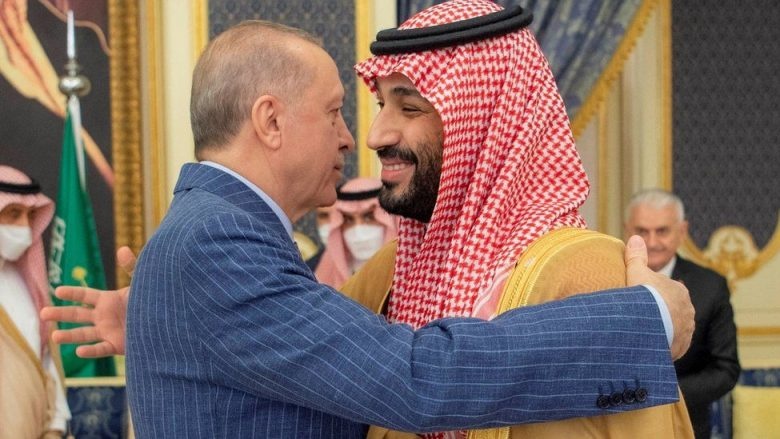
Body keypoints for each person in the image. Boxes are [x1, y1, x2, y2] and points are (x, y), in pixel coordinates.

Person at [42, 15, 695, 439]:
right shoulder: (236, 249)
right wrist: (649, 320)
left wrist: (167, 314)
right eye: (342, 111)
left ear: (486, 122)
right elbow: (415, 379)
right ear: (270, 122)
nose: (366, 136)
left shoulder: (591, 272)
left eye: (406, 107)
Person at [625, 188, 740, 439]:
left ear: (682, 231)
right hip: (620, 424)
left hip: (686, 424)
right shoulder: (605, 280)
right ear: (627, 230)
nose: (652, 242)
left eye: (662, 231)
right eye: (642, 231)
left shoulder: (710, 286)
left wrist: (663, 393)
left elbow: (725, 370)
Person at [0, 165, 71, 439]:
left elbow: (46, 362)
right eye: (13, 213)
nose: (25, 227)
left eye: (30, 215)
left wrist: (55, 426)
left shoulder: (29, 281)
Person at [315, 177, 397, 288]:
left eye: (369, 217)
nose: (359, 231)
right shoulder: (326, 273)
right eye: (348, 219)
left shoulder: (409, 272)